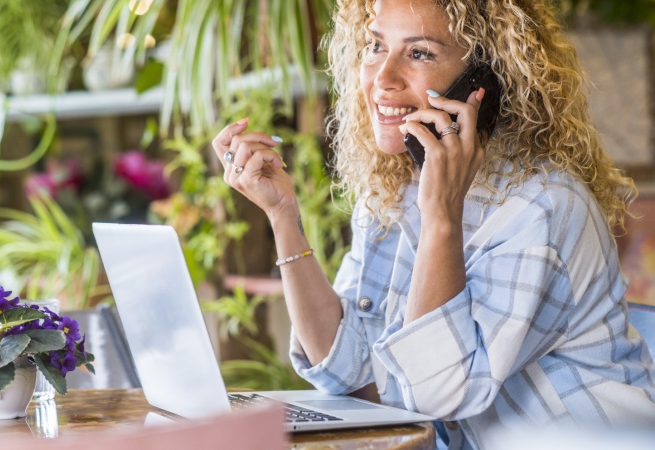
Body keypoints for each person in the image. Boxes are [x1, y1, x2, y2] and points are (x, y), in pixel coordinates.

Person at [211, 0, 655, 448]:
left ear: (482, 83)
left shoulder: (541, 206)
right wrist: (283, 215)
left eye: (420, 52)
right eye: (375, 46)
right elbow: (348, 371)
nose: (382, 79)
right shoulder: (396, 187)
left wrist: (441, 216)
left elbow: (437, 395)